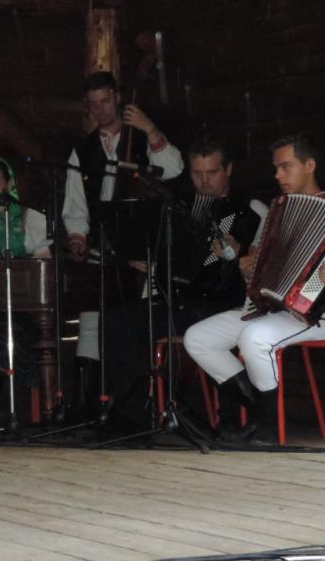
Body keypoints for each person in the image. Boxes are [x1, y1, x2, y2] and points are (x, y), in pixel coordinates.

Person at [184, 134, 325, 444]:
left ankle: (269, 428)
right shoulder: (275, 213)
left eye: (286, 167)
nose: (277, 175)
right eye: (276, 168)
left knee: (254, 337)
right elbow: (257, 266)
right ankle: (263, 413)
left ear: (310, 165)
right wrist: (249, 267)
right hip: (270, 309)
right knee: (198, 338)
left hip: (319, 315)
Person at [98, 136, 265, 430]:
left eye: (212, 172)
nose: (204, 181)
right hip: (181, 302)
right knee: (115, 322)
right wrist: (147, 258)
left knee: (221, 327)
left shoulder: (251, 209)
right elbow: (165, 253)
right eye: (197, 173)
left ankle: (230, 419)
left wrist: (239, 251)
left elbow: (263, 266)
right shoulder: (177, 206)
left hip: (226, 304)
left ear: (228, 170)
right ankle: (132, 414)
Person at [62, 71, 184, 416]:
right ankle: (90, 405)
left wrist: (150, 129)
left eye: (105, 101)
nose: (100, 109)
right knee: (94, 315)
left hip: (146, 249)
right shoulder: (82, 150)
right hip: (107, 250)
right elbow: (75, 206)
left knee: (133, 322)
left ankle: (139, 402)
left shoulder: (142, 135)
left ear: (117, 97)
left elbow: (174, 168)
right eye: (93, 104)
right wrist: (78, 239)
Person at [0, 157, 48, 425]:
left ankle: (7, 407)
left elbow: (44, 265)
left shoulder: (31, 217)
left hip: (22, 307)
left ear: (9, 184)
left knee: (6, 332)